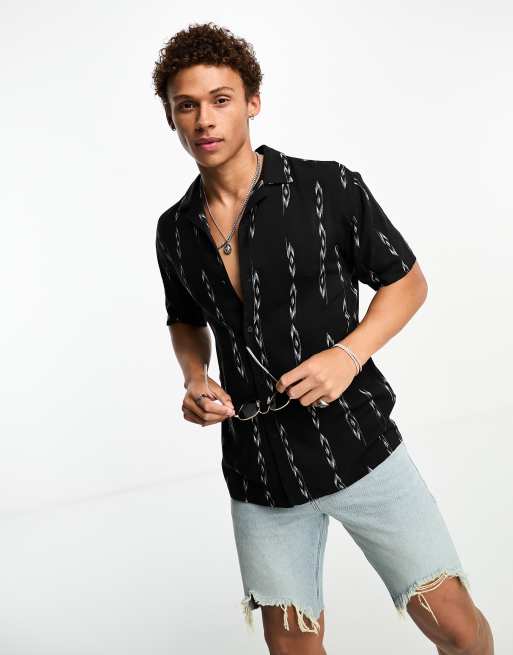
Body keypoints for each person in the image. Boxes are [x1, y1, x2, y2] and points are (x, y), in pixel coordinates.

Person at [152, 22, 494, 655]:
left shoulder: (326, 187)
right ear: (171, 116)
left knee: (453, 624)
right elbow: (184, 317)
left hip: (355, 441)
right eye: (187, 105)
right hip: (259, 466)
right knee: (291, 647)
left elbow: (408, 282)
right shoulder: (174, 230)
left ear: (252, 102)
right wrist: (195, 378)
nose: (205, 119)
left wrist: (348, 354)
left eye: (221, 100)